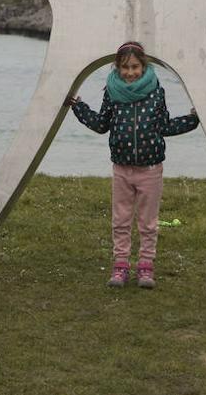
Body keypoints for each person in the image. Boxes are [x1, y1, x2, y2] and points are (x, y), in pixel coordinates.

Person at [66, 42, 199, 288]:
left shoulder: (156, 92)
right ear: (117, 67)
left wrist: (193, 119)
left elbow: (164, 126)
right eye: (125, 67)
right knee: (121, 220)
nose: (130, 72)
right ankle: (120, 267)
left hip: (151, 169)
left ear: (144, 65)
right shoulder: (112, 92)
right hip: (121, 169)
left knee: (148, 223)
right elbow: (101, 124)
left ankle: (146, 269)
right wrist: (79, 107)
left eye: (135, 66)